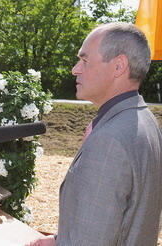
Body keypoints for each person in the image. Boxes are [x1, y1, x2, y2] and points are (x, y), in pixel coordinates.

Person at [28, 23, 162, 246]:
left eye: (85, 60)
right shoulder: (144, 121)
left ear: (119, 66)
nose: (75, 69)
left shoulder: (109, 140)